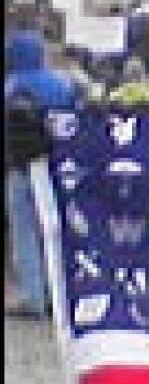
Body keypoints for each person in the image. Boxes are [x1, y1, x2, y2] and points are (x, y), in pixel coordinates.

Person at [4, 28, 76, 319]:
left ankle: (35, 297)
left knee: (25, 233)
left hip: (20, 167)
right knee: (56, 231)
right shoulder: (61, 85)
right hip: (56, 166)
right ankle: (62, 294)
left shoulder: (10, 86)